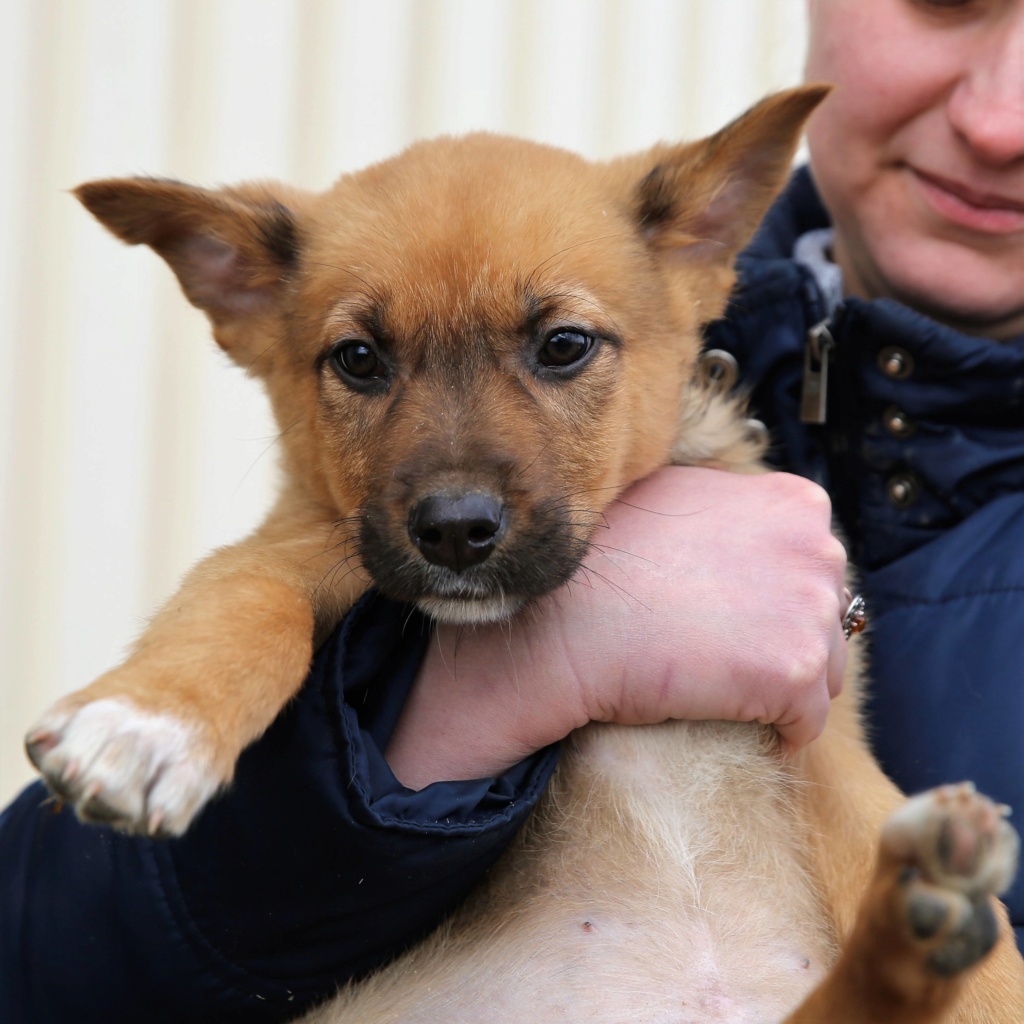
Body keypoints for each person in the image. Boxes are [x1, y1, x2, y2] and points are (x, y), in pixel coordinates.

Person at [2, 0, 1021, 1021]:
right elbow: (41, 949)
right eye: (362, 361)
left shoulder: (716, 424)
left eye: (560, 348)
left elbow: (836, 799)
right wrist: (452, 713)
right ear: (249, 303)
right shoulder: (317, 547)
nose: (455, 495)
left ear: (703, 245)